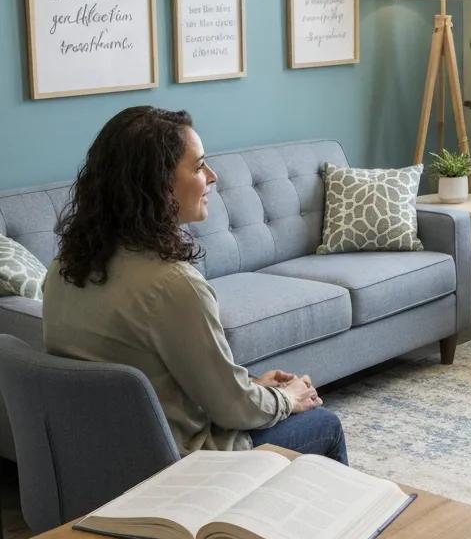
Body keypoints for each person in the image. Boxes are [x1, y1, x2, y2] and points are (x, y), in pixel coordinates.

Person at [42, 106, 347, 463]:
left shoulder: (63, 269)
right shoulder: (173, 285)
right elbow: (232, 411)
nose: (213, 176)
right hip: (179, 467)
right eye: (200, 166)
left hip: (98, 463)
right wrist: (288, 398)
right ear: (159, 183)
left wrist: (250, 388)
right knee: (324, 423)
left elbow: (167, 383)